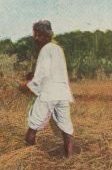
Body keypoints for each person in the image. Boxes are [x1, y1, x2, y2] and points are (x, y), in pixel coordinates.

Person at [19, 20, 74, 158]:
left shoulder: (45, 49)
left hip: (49, 93)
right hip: (62, 93)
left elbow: (41, 75)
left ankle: (27, 157)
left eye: (37, 35)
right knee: (66, 127)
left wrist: (26, 86)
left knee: (33, 125)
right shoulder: (58, 49)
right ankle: (69, 158)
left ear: (45, 35)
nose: (35, 38)